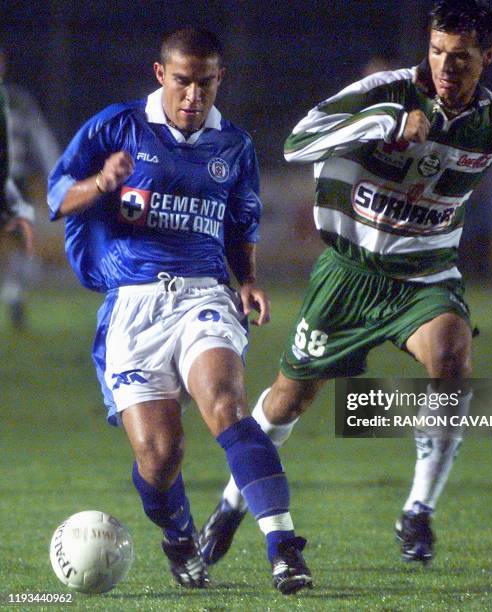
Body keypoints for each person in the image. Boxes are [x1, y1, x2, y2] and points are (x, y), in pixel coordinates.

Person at [199, 0, 492, 568]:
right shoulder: (388, 92)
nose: (446, 68)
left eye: (462, 58)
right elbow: (297, 142)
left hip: (425, 275)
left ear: (488, 58)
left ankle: (418, 510)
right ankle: (232, 504)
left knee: (451, 362)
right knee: (288, 401)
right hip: (349, 274)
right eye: (437, 52)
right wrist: (384, 125)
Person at [47, 28, 312, 594]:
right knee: (159, 455)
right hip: (132, 305)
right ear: (160, 75)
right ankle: (180, 536)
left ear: (221, 80)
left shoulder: (233, 146)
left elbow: (242, 225)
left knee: (226, 402)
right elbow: (57, 197)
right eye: (184, 81)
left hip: (203, 293)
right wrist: (100, 183)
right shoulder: (117, 126)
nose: (194, 95)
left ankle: (283, 547)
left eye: (207, 82)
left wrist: (250, 281)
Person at [0, 48, 59, 328]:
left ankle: (13, 295)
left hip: (16, 181)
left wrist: (56, 171)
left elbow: (41, 139)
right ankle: (12, 295)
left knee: (23, 245)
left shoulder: (19, 101)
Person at [1, 77, 34, 288]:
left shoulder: (17, 100)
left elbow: (38, 136)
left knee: (20, 236)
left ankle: (14, 290)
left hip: (15, 178)